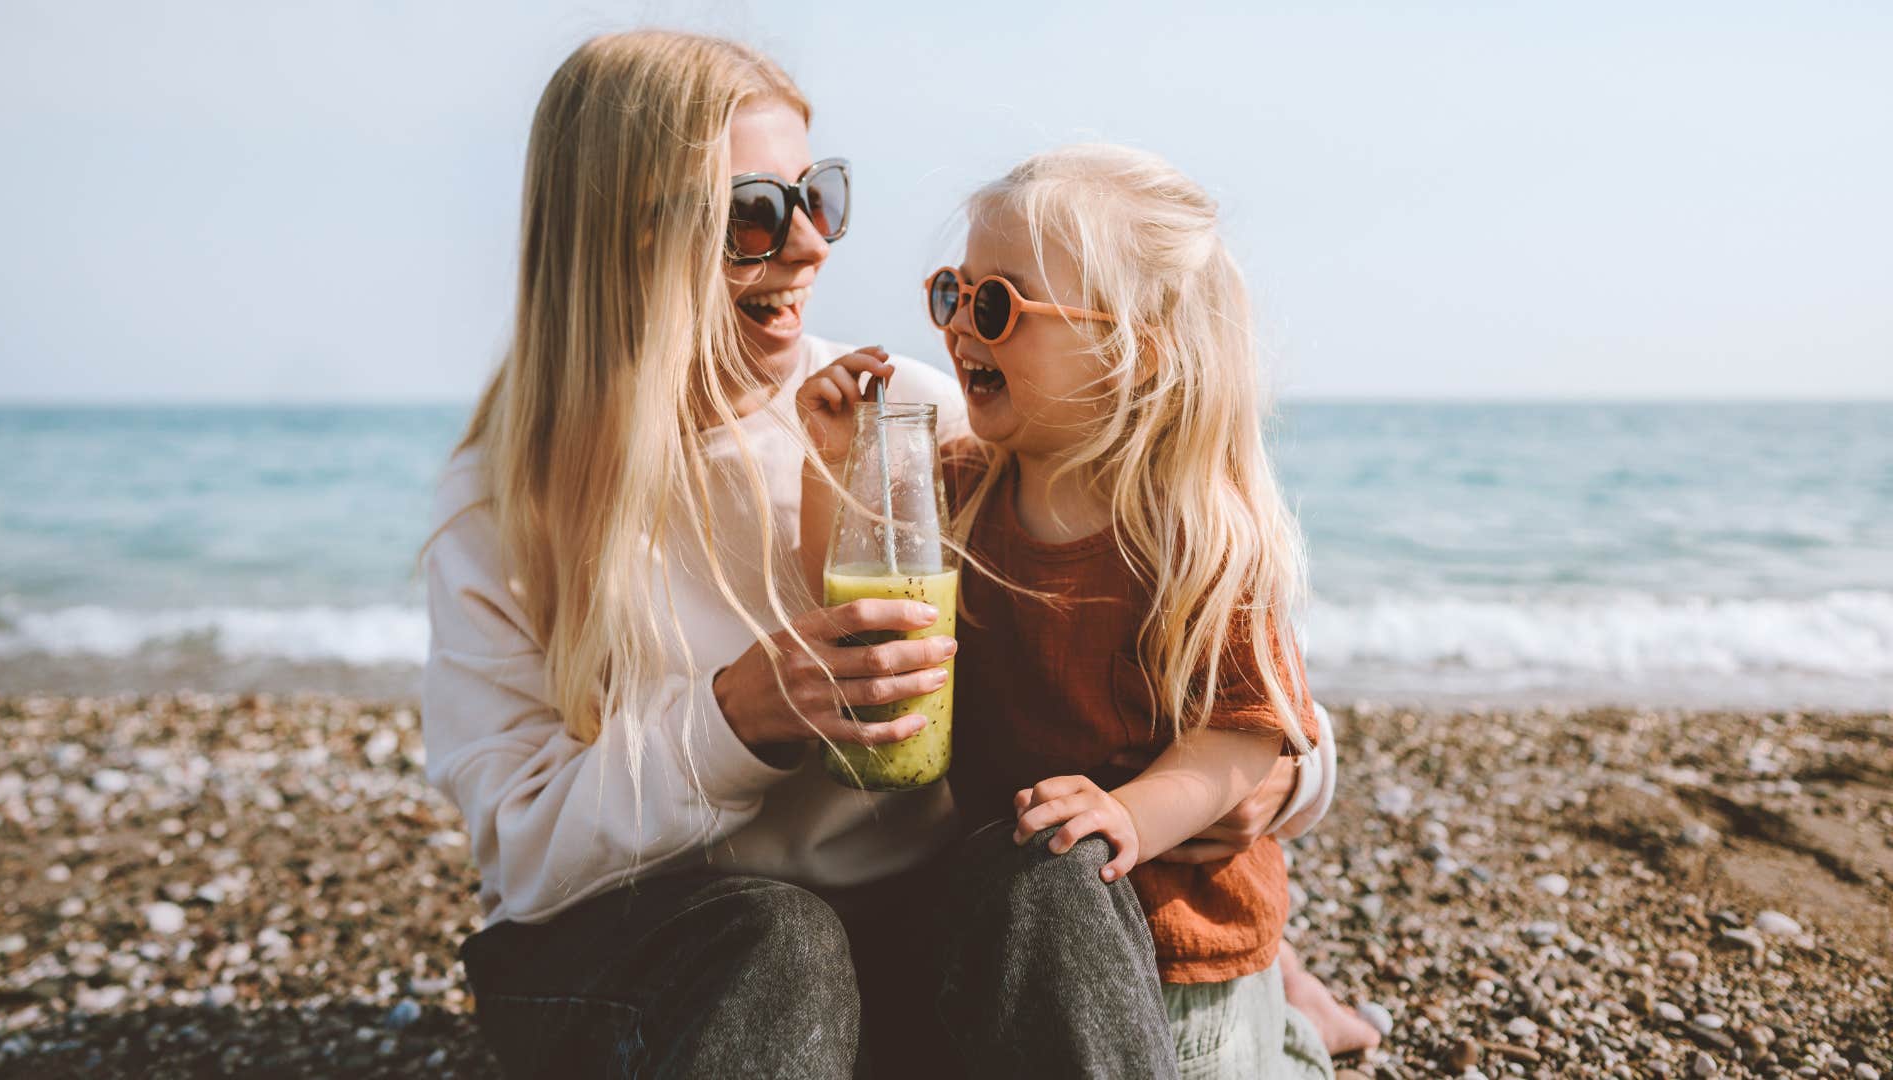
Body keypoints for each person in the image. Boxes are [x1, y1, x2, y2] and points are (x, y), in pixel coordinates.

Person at [422, 31, 1329, 1077]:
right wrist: (737, 717)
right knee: (776, 939)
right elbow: (524, 852)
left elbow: (1213, 649)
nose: (810, 247)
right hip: (652, 952)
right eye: (754, 215)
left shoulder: (908, 414)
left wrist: (1266, 788)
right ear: (619, 242)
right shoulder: (506, 504)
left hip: (903, 930)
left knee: (1052, 872)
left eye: (820, 199)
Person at [798, 143, 1340, 1077]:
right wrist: (840, 464)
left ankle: (1296, 1037)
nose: (963, 328)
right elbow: (864, 606)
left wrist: (1129, 814)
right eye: (951, 295)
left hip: (1181, 943)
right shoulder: (961, 489)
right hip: (1010, 917)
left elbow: (1241, 735)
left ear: (1134, 351)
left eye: (999, 306)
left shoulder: (1201, 535)